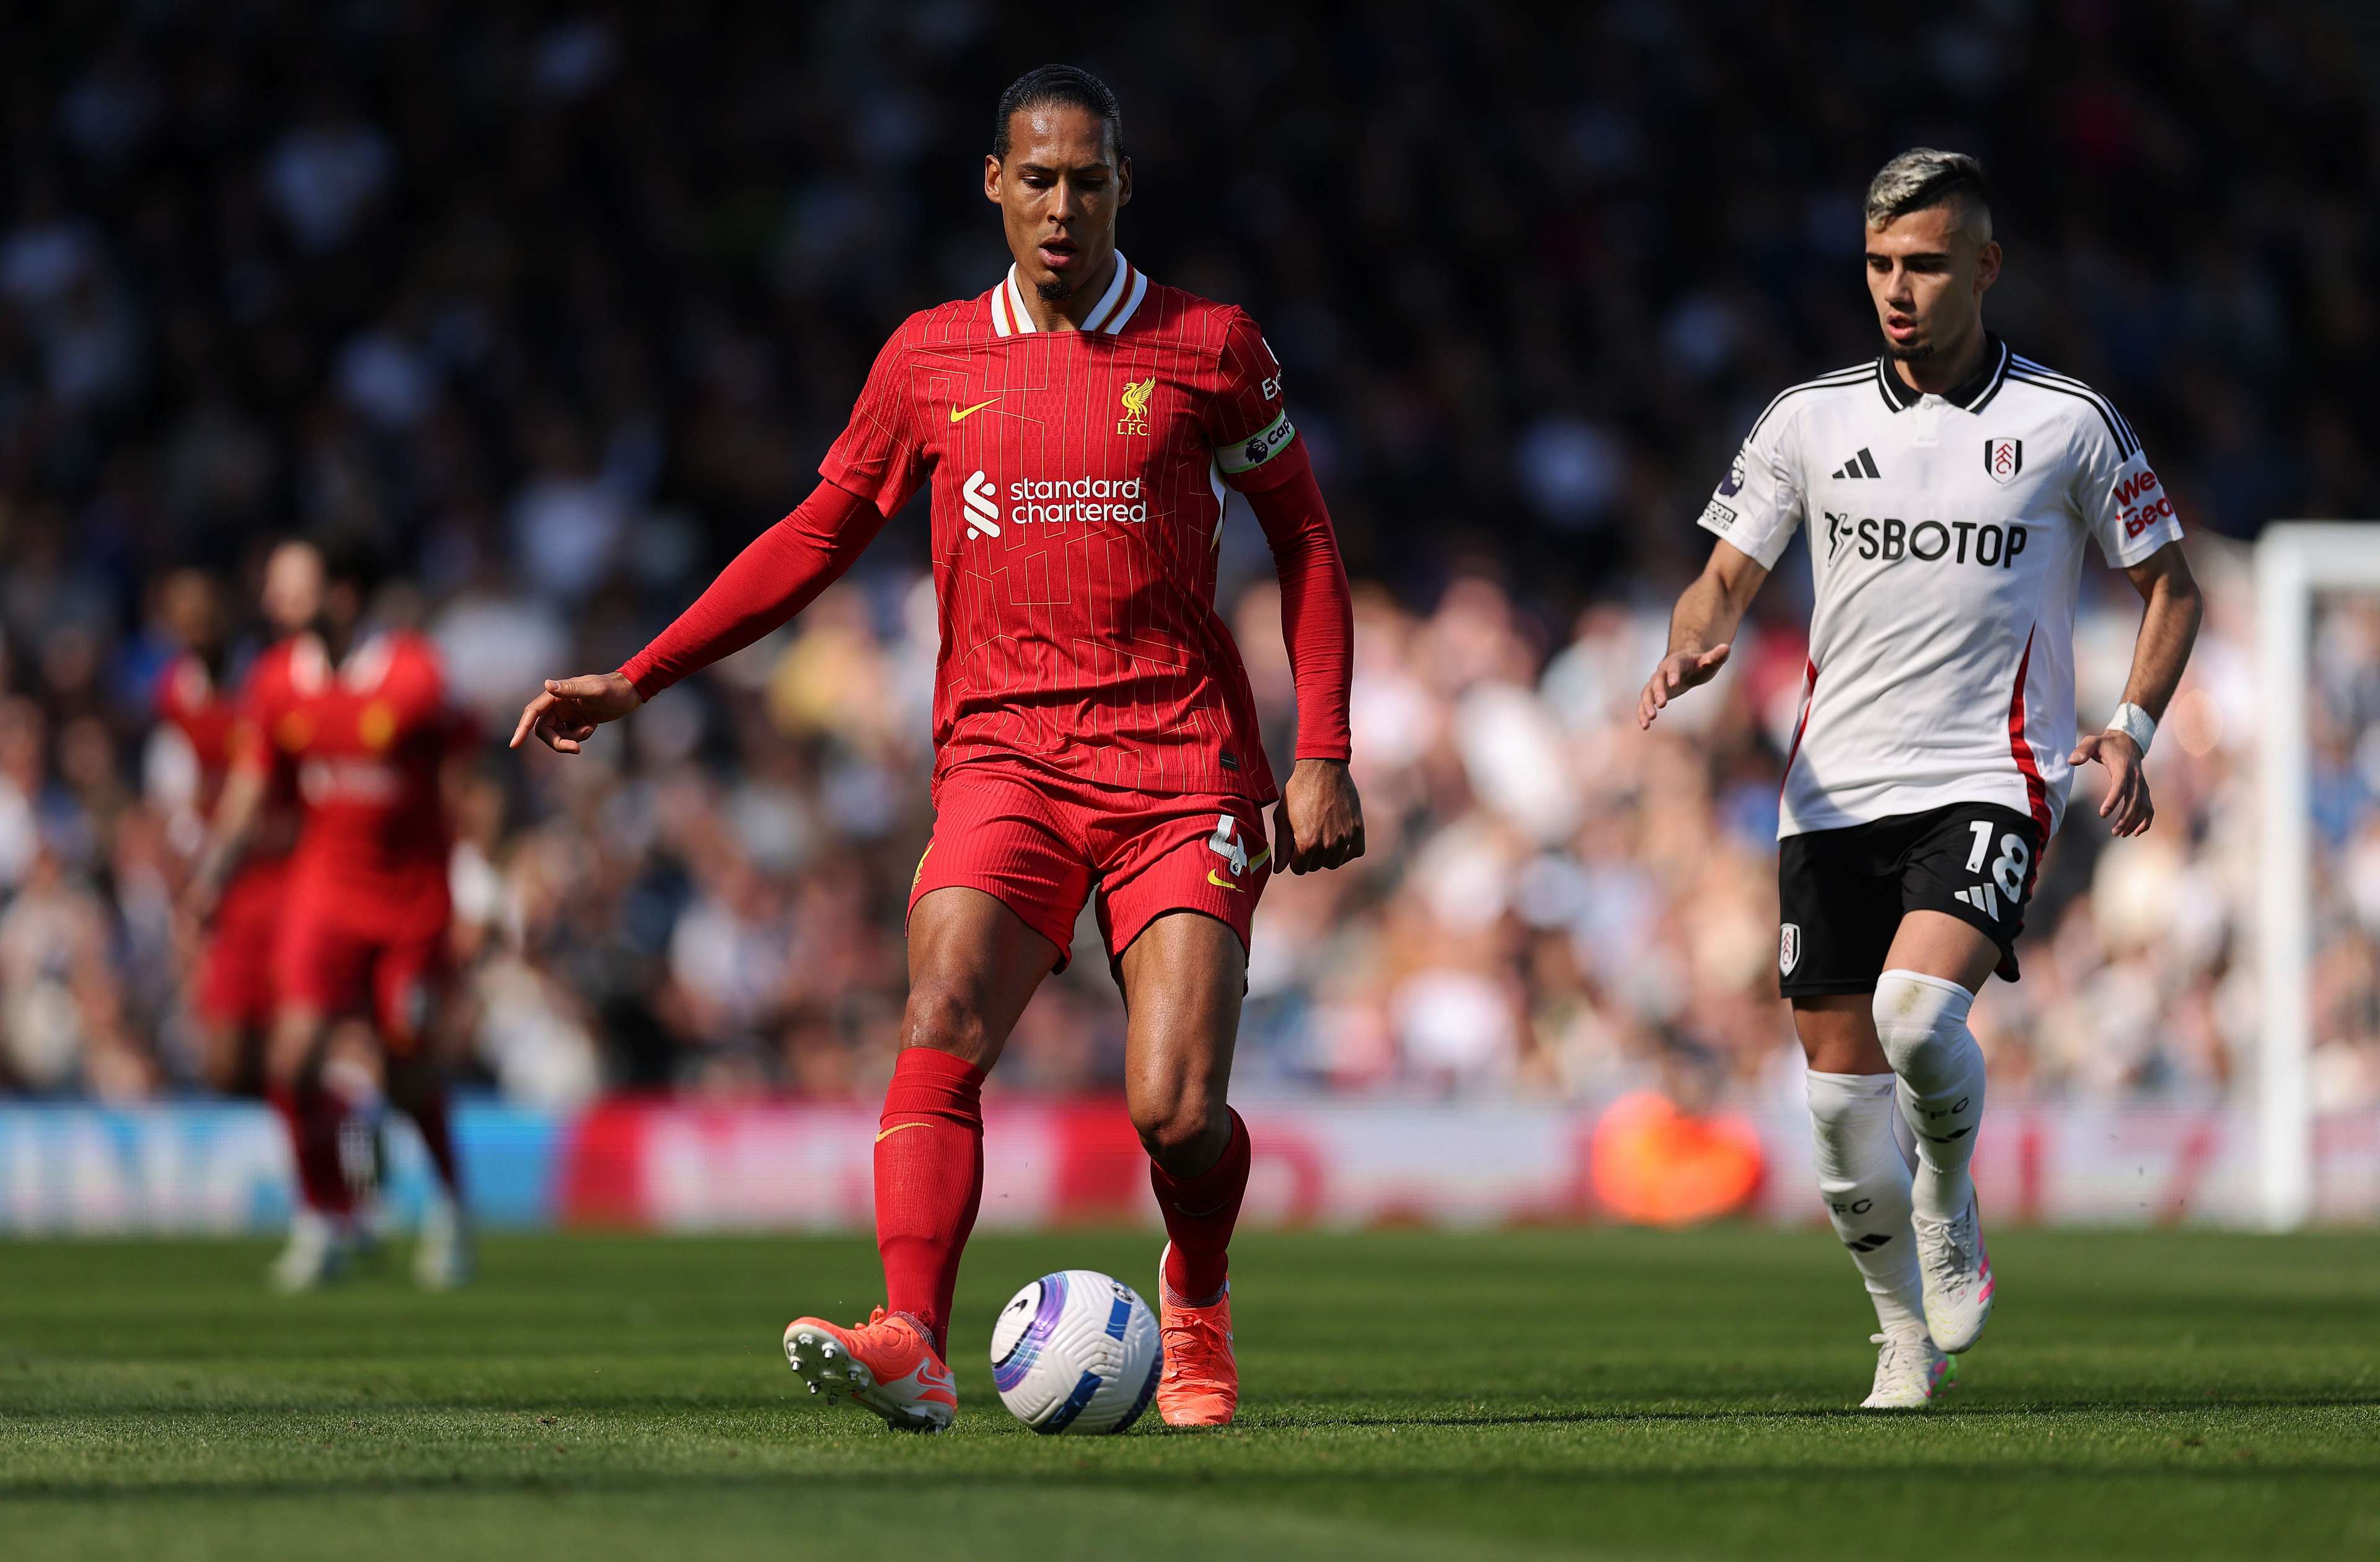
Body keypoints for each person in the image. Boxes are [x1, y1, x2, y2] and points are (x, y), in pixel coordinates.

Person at [513, 64, 1362, 1431]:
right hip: (1005, 761)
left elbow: (1307, 536)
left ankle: (1194, 1298)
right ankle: (912, 1336)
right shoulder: (928, 359)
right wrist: (640, 675)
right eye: (1038, 179)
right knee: (942, 1013)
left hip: (1179, 766)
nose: (1063, 207)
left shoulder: (1211, 345)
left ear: (1122, 188)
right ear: (994, 184)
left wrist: (1320, 745)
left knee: (1174, 1112)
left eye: (1089, 180)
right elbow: (815, 535)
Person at [1638, 149, 2202, 1408]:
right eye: (1882, 264)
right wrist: (1694, 633)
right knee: (1840, 1125)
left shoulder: (2066, 424)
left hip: (1988, 777)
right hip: (1830, 793)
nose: (1899, 288)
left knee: (1914, 1019)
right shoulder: (1807, 420)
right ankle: (1903, 1333)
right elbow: (1725, 572)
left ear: (1986, 268)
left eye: (1928, 263)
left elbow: (2171, 586)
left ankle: (1950, 1195)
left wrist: (2130, 726)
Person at [192, 536, 478, 1291]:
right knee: (291, 1059)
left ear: (343, 595)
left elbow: (467, 778)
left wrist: (480, 882)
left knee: (407, 1063)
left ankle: (450, 1209)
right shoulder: (277, 678)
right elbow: (255, 782)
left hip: (412, 902)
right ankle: (325, 1217)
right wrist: (214, 872)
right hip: (324, 893)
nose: (273, 603)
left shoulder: (415, 676)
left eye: (293, 587)